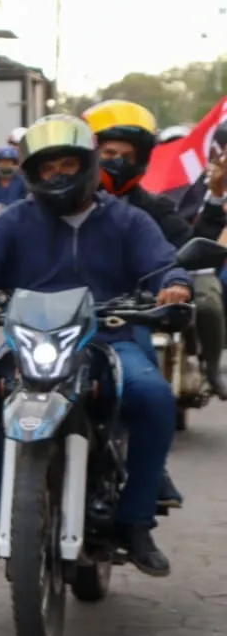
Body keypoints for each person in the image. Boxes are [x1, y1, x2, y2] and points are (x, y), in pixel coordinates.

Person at [0, 115, 190, 577]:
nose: (58, 175)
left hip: (110, 336)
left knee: (153, 398)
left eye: (68, 164)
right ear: (33, 173)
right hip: (30, 338)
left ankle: (135, 523)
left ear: (89, 166)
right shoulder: (15, 220)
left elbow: (163, 266)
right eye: (47, 168)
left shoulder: (127, 219)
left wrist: (173, 286)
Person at [82, 101, 227, 511]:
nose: (116, 164)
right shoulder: (51, 205)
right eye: (108, 155)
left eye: (126, 157)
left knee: (149, 395)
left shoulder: (148, 212)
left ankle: (141, 499)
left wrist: (215, 197)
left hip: (121, 321)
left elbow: (186, 247)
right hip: (56, 326)